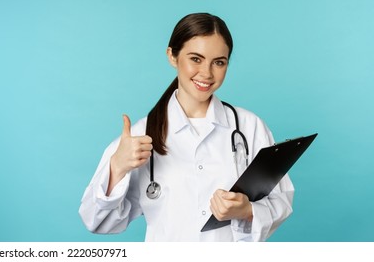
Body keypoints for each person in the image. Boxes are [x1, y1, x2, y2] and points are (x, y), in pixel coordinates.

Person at [78, 13, 294, 241]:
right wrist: (117, 168)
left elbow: (281, 201)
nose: (207, 73)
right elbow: (95, 221)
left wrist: (247, 211)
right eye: (196, 59)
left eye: (219, 62)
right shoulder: (140, 137)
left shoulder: (249, 127)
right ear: (172, 56)